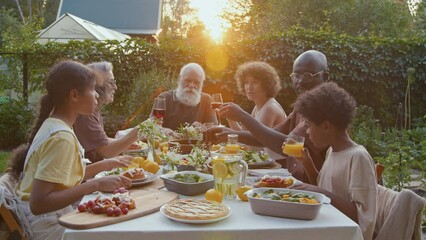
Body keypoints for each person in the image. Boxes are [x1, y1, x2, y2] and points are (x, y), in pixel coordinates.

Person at [7, 61, 132, 240]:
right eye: (92, 89)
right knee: (122, 232)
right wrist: (96, 184)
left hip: (49, 218)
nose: (97, 95)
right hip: (49, 227)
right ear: (74, 95)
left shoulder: (55, 124)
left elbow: (61, 177)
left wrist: (104, 165)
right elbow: (39, 203)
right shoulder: (61, 138)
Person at [216, 50, 329, 183]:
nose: (300, 81)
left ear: (325, 77)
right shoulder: (301, 107)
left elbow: (288, 146)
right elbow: (264, 137)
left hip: (313, 188)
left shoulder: (323, 108)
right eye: (296, 75)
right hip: (294, 180)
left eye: (308, 76)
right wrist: (226, 133)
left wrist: (242, 116)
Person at [290, 82, 377, 240]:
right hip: (326, 227)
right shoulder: (333, 150)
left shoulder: (358, 157)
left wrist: (319, 192)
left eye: (308, 126)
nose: (307, 132)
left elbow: (362, 218)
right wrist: (307, 163)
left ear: (325, 126)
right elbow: (324, 186)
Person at [74, 61, 139, 162]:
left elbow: (100, 141)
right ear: (95, 87)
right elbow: (106, 150)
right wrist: (142, 130)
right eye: (110, 82)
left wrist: (129, 143)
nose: (115, 87)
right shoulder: (85, 113)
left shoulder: (95, 110)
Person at [228, 61, 287, 160]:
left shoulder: (270, 108)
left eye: (255, 82)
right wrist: (231, 119)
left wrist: (241, 117)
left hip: (279, 167)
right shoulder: (258, 107)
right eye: (246, 82)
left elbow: (253, 146)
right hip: (267, 164)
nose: (249, 87)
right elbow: (245, 138)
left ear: (266, 85)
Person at [150, 63, 217, 130]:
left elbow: (213, 129)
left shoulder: (207, 100)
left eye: (197, 82)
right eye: (187, 81)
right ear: (179, 79)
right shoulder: (163, 98)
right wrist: (166, 132)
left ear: (202, 84)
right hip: (167, 140)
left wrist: (202, 129)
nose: (191, 85)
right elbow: (152, 126)